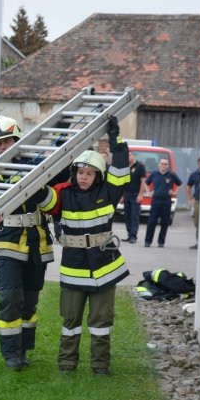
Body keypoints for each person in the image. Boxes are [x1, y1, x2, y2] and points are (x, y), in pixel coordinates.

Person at [40, 115, 130, 375]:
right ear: (74, 172)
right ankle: (67, 363)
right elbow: (43, 196)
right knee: (70, 319)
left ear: (98, 176)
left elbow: (121, 169)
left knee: (101, 321)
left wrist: (115, 139)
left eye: (89, 173)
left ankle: (100, 365)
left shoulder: (109, 192)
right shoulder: (63, 194)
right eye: (80, 172)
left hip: (105, 265)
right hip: (74, 265)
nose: (84, 177)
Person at [0, 115, 54, 371]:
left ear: (18, 140)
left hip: (37, 243)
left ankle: (24, 349)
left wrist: (37, 186)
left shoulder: (38, 166)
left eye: (7, 141)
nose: (3, 148)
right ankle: (11, 354)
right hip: (8, 244)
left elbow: (51, 203)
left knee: (30, 300)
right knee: (10, 297)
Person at [140, 158, 182, 248]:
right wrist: (148, 192)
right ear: (159, 165)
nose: (163, 166)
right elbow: (146, 183)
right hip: (156, 201)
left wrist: (175, 193)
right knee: (151, 222)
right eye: (162, 164)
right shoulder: (154, 174)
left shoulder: (171, 175)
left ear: (167, 166)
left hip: (166, 201)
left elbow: (180, 184)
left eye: (165, 164)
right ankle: (148, 241)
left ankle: (161, 242)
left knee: (164, 222)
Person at [123, 151, 147, 244]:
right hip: (126, 194)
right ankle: (129, 235)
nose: (127, 157)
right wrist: (122, 196)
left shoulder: (140, 166)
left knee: (134, 216)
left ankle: (133, 236)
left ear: (133, 156)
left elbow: (143, 181)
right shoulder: (125, 167)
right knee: (127, 216)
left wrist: (140, 195)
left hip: (135, 195)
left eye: (129, 155)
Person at [186, 157, 200, 249]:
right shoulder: (194, 174)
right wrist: (189, 199)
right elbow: (188, 187)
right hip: (198, 201)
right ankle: (199, 242)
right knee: (197, 222)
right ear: (198, 164)